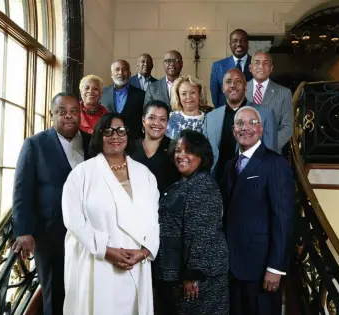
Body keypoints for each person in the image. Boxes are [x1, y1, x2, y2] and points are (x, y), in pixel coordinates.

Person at [62, 113, 160, 315]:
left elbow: (153, 219)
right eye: (108, 131)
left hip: (136, 262)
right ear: (99, 136)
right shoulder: (81, 174)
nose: (115, 136)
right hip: (98, 260)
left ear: (128, 135)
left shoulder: (145, 174)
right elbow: (73, 221)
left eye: (121, 130)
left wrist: (144, 252)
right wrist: (105, 250)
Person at [12, 92, 89, 315]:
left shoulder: (91, 142)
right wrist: (24, 231)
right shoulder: (34, 144)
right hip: (50, 232)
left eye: (74, 111)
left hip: (87, 232)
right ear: (51, 114)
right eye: (62, 112)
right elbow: (22, 190)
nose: (68, 116)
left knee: (84, 290)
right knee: (55, 293)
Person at [219, 106, 294, 315]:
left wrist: (275, 267)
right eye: (240, 124)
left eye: (252, 123)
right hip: (232, 266)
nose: (245, 128)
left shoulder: (275, 163)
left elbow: (284, 219)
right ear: (234, 131)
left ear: (261, 129)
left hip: (262, 269)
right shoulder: (229, 166)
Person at [154, 130, 229, 315]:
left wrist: (193, 275)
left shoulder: (202, 186)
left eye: (189, 151)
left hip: (201, 280)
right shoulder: (183, 184)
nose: (182, 155)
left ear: (201, 157)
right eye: (178, 150)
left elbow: (202, 235)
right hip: (179, 274)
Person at [202, 68, 277, 181]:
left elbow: (272, 156)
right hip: (217, 185)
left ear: (245, 87)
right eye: (228, 81)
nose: (233, 85)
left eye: (238, 81)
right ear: (223, 89)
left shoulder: (265, 114)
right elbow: (204, 156)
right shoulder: (210, 118)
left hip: (252, 183)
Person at [246, 51, 293, 153]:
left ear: (271, 68)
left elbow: (287, 127)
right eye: (257, 63)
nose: (261, 66)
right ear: (250, 68)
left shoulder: (284, 93)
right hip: (243, 152)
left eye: (266, 63)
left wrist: (269, 147)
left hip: (271, 154)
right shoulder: (241, 90)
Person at [131, 100, 180, 192]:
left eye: (162, 119)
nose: (156, 123)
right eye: (151, 118)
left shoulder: (176, 148)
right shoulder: (130, 147)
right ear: (143, 120)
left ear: (167, 123)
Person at [101, 60, 146, 139]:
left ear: (129, 74)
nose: (121, 73)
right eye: (117, 69)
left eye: (124, 69)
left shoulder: (141, 94)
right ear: (111, 74)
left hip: (133, 142)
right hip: (108, 140)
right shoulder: (102, 93)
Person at [210, 29, 253, 108]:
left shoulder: (256, 65)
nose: (239, 44)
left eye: (242, 40)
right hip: (226, 114)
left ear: (247, 43)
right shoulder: (217, 66)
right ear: (230, 44)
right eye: (235, 41)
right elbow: (215, 96)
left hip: (250, 115)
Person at [165, 75, 213, 139]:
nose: (188, 97)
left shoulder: (210, 120)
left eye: (193, 92)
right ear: (178, 97)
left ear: (200, 94)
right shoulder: (170, 118)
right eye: (184, 94)